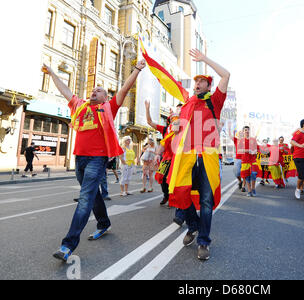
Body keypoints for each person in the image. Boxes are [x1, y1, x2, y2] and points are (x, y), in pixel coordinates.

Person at [44, 59, 146, 262]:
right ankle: (104, 223)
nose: (94, 91)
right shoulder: (79, 106)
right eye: (93, 89)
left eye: (99, 90)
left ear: (105, 97)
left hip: (97, 159)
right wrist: (52, 73)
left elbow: (124, 90)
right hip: (79, 159)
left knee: (85, 199)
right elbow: (64, 89)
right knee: (93, 195)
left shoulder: (109, 107)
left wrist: (136, 70)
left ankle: (67, 245)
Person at [167, 49, 230, 261]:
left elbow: (226, 75)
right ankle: (192, 226)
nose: (197, 84)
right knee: (180, 194)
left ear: (208, 86)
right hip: (186, 156)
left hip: (208, 155)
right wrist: (176, 126)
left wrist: (204, 60)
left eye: (201, 81)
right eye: (196, 82)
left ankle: (203, 241)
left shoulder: (215, 100)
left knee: (205, 200)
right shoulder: (187, 104)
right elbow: (178, 126)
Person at [240, 126, 258, 197]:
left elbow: (256, 149)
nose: (247, 131)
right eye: (245, 130)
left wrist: (253, 152)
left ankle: (253, 188)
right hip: (245, 161)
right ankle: (249, 190)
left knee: (254, 173)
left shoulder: (253, 140)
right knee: (246, 176)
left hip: (253, 160)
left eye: (248, 130)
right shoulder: (241, 140)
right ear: (243, 132)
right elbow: (240, 150)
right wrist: (248, 151)